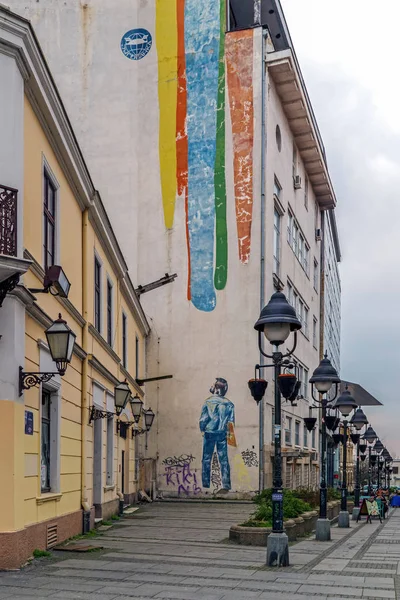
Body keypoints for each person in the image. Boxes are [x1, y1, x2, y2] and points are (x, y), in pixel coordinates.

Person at [199, 378, 235, 492]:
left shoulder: (208, 402)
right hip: (222, 433)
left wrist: (202, 429)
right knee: (223, 460)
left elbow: (203, 419)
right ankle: (226, 484)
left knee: (206, 459)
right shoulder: (229, 404)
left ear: (215, 388)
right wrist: (230, 437)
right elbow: (231, 422)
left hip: (209, 432)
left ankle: (205, 483)